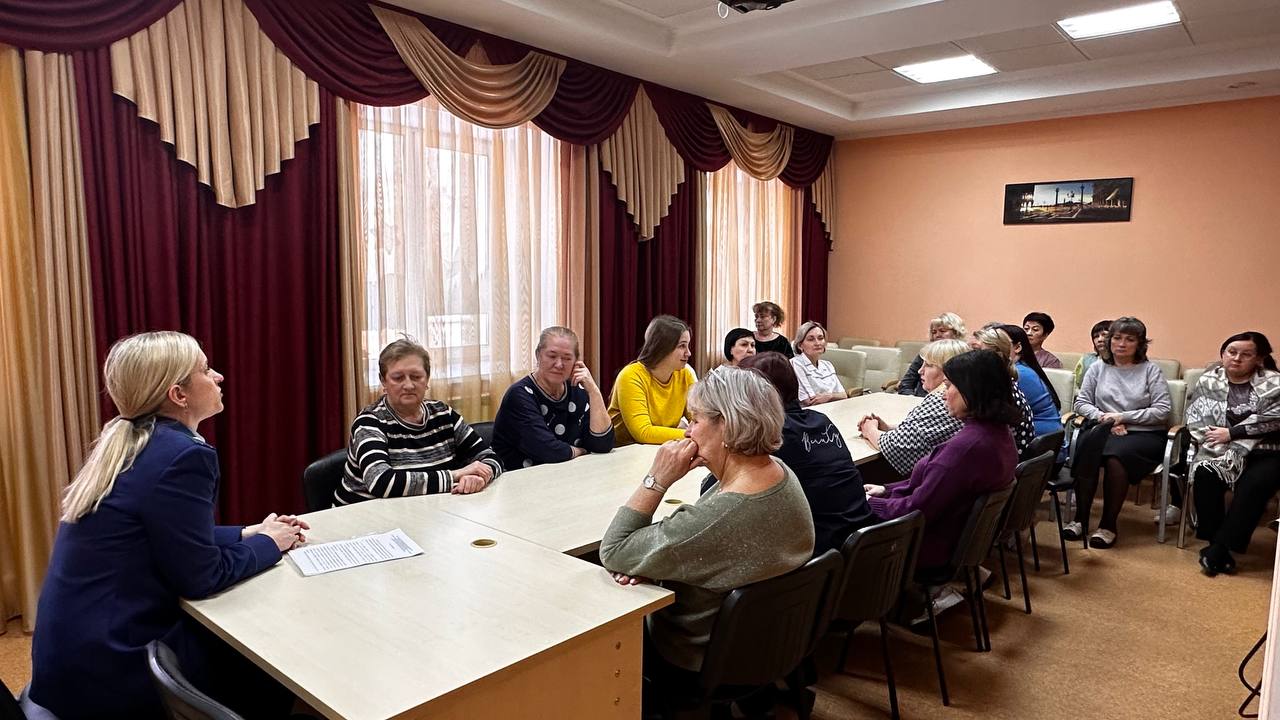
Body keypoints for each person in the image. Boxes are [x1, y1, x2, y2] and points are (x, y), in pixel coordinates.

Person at [29, 332, 306, 719]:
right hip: (116, 666)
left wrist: (247, 533)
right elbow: (202, 577)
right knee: (271, 654)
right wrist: (271, 545)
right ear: (179, 395)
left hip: (71, 658)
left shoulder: (130, 441)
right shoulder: (183, 455)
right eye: (206, 370)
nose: (219, 376)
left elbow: (159, 534)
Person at [599, 366, 813, 702]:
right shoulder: (781, 474)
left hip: (695, 661)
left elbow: (613, 550)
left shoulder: (716, 518)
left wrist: (657, 478)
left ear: (725, 425)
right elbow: (707, 547)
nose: (687, 431)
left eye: (695, 420)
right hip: (769, 645)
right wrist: (659, 562)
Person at [863, 349, 1019, 570]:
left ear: (971, 390)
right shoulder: (999, 433)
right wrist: (886, 490)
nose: (944, 395)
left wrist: (868, 503)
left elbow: (916, 511)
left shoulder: (966, 449)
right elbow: (933, 486)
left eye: (948, 386)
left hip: (928, 546)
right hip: (957, 538)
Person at [739, 352, 875, 555]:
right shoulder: (820, 420)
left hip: (823, 553)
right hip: (862, 542)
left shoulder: (773, 434)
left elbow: (719, 490)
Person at [338, 338, 502, 504]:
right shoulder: (369, 422)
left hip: (426, 510)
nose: (408, 385)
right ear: (383, 381)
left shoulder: (444, 414)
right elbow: (381, 483)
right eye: (398, 378)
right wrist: (456, 475)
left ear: (427, 379)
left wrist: (480, 477)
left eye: (416, 377)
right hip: (362, 515)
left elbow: (490, 457)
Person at [1066, 317, 1172, 548]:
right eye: (1117, 338)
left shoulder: (1150, 371)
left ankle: (1108, 525)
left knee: (1116, 458)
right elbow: (1081, 403)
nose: (1121, 344)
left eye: (1129, 339)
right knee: (1088, 447)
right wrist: (1105, 419)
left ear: (1140, 344)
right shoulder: (1097, 367)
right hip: (1104, 427)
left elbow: (1162, 410)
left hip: (1143, 433)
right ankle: (1080, 519)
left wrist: (1122, 417)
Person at [1186, 332, 1280, 575]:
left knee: (1254, 484)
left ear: (1259, 359)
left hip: (1267, 451)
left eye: (1246, 354)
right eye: (1232, 352)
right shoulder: (1209, 381)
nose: (1237, 358)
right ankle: (1217, 546)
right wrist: (1218, 439)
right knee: (1205, 473)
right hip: (1220, 448)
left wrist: (1233, 433)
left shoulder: (1275, 383)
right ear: (1223, 354)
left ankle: (1218, 548)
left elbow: (1275, 420)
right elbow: (1196, 417)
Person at [492, 326, 614, 469]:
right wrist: (581, 451)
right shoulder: (519, 395)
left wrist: (594, 392)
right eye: (552, 356)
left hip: (566, 474)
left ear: (576, 362)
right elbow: (547, 451)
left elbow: (603, 444)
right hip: (519, 477)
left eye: (567, 358)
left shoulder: (578, 391)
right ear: (538, 355)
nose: (559, 364)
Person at [860, 339, 971, 477]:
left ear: (949, 371)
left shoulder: (941, 399)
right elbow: (927, 433)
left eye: (929, 365)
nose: (920, 370)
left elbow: (895, 446)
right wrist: (889, 428)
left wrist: (869, 429)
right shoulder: (962, 396)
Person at [607, 315, 697, 445]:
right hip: (624, 450)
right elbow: (644, 433)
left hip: (662, 446)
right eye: (682, 346)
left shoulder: (685, 374)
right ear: (662, 347)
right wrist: (692, 435)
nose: (688, 353)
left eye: (688, 346)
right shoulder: (630, 376)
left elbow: (698, 418)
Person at [968, 326, 1039, 455]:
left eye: (975, 350)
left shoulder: (998, 391)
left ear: (996, 356)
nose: (967, 357)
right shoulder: (1003, 382)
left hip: (1006, 461)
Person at [1001, 324, 1064, 437]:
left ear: (1017, 347)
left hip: (1041, 438)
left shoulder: (1020, 373)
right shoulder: (1017, 367)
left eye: (999, 344)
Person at [899, 312, 967, 397]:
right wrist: (914, 399)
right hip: (921, 399)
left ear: (956, 332)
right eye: (934, 332)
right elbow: (906, 385)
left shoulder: (965, 357)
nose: (937, 335)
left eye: (942, 331)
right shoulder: (925, 354)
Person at [791, 320, 847, 406]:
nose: (817, 343)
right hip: (810, 411)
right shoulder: (796, 364)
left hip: (832, 408)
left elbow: (844, 395)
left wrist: (829, 396)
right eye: (811, 339)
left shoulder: (828, 365)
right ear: (800, 345)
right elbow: (809, 401)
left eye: (820, 338)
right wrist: (834, 396)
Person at [1074, 319, 1113, 390]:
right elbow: (1075, 384)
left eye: (1104, 335)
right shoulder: (1085, 360)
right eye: (1096, 336)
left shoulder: (1122, 362)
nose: (1100, 339)